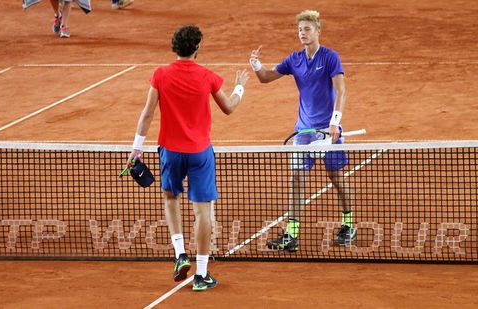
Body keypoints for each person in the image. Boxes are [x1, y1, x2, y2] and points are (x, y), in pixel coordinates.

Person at [126, 25, 249, 291]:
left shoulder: (160, 75)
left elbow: (147, 114)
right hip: (199, 154)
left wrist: (137, 149)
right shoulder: (207, 76)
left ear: (175, 47)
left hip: (170, 152)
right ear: (197, 48)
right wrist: (240, 88)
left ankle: (180, 252)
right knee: (202, 211)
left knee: (171, 198)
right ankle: (201, 274)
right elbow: (228, 107)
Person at [249, 10, 356, 252]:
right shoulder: (294, 60)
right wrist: (256, 66)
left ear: (318, 31)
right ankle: (291, 234)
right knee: (297, 180)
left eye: (307, 29)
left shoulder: (330, 57)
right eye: (300, 30)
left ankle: (348, 224)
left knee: (336, 178)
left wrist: (335, 122)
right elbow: (266, 78)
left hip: (329, 132)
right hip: (303, 133)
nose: (303, 34)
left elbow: (341, 91)